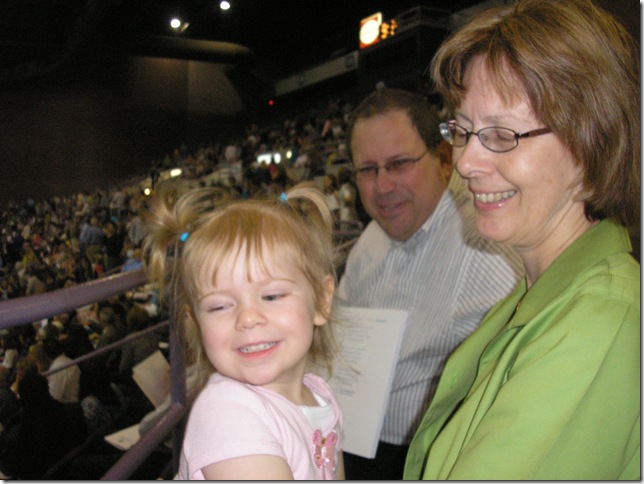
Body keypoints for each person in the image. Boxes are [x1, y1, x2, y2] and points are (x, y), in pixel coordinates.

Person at [404, 0, 640, 480]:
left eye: (502, 134)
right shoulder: (540, 292)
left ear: (588, 142)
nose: (467, 162)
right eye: (464, 130)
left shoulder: (599, 322)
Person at [337, 88, 523, 479]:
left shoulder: (488, 250)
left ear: (442, 159)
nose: (382, 186)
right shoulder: (368, 241)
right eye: (367, 170)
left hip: (426, 457)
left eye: (399, 164)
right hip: (348, 436)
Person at [142, 183, 345, 480]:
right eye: (220, 306)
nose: (247, 318)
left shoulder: (320, 395)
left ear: (322, 300)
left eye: (272, 296)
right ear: (196, 324)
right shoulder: (227, 413)